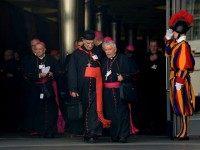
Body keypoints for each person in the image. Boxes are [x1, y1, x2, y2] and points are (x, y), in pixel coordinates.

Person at [68, 30, 111, 143]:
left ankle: (93, 133)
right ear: (83, 41)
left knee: (95, 108)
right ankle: (88, 132)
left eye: (92, 43)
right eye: (87, 43)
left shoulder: (98, 51)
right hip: (83, 86)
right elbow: (72, 72)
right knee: (87, 108)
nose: (90, 45)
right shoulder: (76, 54)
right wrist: (73, 88)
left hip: (98, 85)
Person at [165, 10, 195, 140]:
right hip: (176, 78)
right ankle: (183, 131)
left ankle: (185, 132)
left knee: (184, 106)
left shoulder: (183, 46)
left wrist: (180, 81)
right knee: (179, 105)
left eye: (174, 32)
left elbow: (184, 65)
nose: (173, 33)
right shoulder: (178, 44)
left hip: (180, 79)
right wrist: (167, 39)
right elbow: (167, 52)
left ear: (179, 31)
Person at [22, 41, 60, 138]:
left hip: (48, 87)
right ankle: (40, 130)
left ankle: (50, 130)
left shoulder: (51, 59)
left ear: (44, 50)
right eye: (36, 49)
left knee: (51, 109)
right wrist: (38, 75)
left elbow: (59, 72)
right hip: (35, 88)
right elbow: (26, 74)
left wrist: (52, 74)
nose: (38, 51)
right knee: (38, 109)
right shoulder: (30, 60)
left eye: (40, 49)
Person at [101, 37, 132, 143]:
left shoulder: (122, 58)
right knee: (110, 114)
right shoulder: (103, 60)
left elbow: (130, 74)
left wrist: (123, 77)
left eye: (109, 49)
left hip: (119, 90)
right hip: (107, 92)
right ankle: (114, 135)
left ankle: (123, 135)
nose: (108, 52)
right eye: (106, 50)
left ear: (115, 49)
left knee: (122, 113)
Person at [141, 39, 166, 134]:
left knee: (159, 108)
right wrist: (149, 62)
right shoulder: (145, 56)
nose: (153, 48)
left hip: (159, 87)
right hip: (147, 88)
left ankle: (159, 128)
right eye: (151, 46)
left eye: (155, 46)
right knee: (148, 108)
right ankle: (149, 127)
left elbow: (163, 69)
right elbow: (142, 70)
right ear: (149, 47)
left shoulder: (162, 56)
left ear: (158, 46)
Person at [124, 44, 140, 135]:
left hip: (129, 87)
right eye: (128, 51)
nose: (129, 53)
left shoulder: (131, 61)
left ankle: (131, 126)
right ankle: (130, 127)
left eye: (131, 52)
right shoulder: (126, 60)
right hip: (127, 87)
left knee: (130, 109)